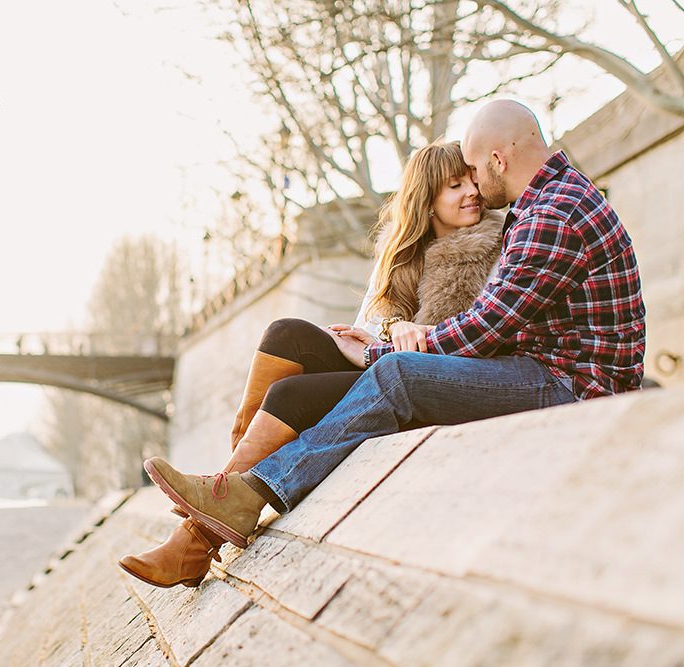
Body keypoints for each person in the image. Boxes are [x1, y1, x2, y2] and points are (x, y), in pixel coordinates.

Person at [140, 99, 645, 559]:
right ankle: (224, 502)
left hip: (570, 388)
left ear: (497, 159)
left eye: (471, 170)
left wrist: (379, 353)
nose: (473, 185)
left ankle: (243, 497)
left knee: (396, 374)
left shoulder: (553, 214)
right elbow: (492, 325)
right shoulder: (546, 205)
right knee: (294, 338)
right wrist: (382, 340)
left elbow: (483, 330)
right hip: (544, 371)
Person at [119, 140, 505, 588]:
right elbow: (374, 322)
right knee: (286, 333)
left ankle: (196, 535)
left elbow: (472, 341)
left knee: (290, 395)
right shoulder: (403, 250)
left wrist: (397, 339)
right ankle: (225, 487)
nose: (472, 192)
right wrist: (385, 332)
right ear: (427, 198)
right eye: (455, 185)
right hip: (384, 361)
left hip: (418, 381)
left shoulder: (488, 248)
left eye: (471, 181)